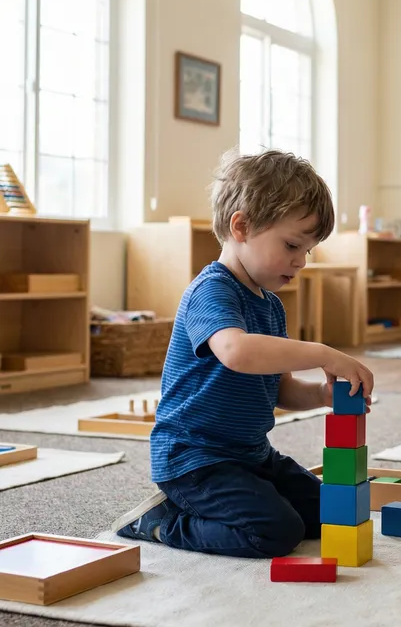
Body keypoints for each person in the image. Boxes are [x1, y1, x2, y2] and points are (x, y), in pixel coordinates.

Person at [111, 149, 374, 558]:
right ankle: (165, 523)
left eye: (308, 250)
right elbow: (236, 352)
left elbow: (280, 389)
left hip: (251, 455)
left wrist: (320, 396)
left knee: (330, 512)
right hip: (194, 460)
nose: (301, 261)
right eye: (291, 244)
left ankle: (233, 500)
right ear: (242, 226)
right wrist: (322, 352)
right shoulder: (211, 291)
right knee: (277, 532)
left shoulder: (270, 306)